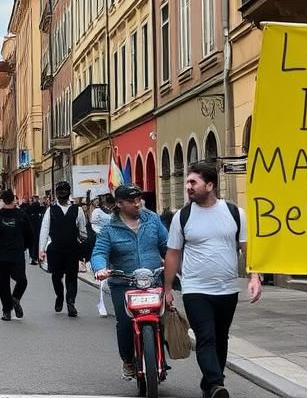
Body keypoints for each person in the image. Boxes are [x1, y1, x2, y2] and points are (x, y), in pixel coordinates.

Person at [164, 161, 262, 398]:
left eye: (193, 182)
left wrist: (255, 276)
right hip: (195, 288)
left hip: (227, 288)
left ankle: (210, 383)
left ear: (210, 185)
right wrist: (167, 287)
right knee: (205, 336)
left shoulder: (234, 213)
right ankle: (218, 383)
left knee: (220, 337)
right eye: (187, 181)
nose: (188, 186)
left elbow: (248, 248)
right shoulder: (182, 217)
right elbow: (173, 253)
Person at [92, 185, 168, 380]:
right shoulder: (109, 229)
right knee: (125, 324)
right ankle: (127, 359)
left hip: (152, 280)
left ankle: (158, 354)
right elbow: (99, 252)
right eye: (132, 201)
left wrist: (173, 262)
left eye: (139, 199)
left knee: (164, 318)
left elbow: (166, 245)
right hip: (123, 283)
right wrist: (100, 269)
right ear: (119, 204)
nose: (138, 203)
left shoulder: (152, 220)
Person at [39, 180, 88, 317]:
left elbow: (83, 232)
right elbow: (44, 230)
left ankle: (70, 302)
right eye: (60, 192)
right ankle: (59, 296)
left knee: (72, 277)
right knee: (56, 276)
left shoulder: (77, 210)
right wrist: (41, 250)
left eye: (64, 191)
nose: (62, 194)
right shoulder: (51, 210)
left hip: (72, 249)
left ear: (68, 193)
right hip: (55, 249)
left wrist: (77, 242)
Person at [0, 190, 33, 321]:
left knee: (4, 284)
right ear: (14, 199)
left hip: (0, 255)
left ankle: (7, 311)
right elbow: (30, 235)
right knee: (22, 280)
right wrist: (24, 247)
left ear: (2, 200)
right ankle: (15, 298)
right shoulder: (22, 215)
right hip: (16, 254)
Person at [91, 193, 117, 317]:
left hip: (115, 245)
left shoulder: (116, 212)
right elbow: (93, 225)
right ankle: (103, 304)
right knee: (104, 275)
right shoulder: (97, 212)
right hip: (103, 242)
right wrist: (102, 233)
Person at [24, 195, 45, 265]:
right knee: (35, 243)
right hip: (35, 229)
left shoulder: (30, 209)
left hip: (34, 229)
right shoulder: (35, 208)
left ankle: (34, 257)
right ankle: (34, 257)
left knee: (34, 244)